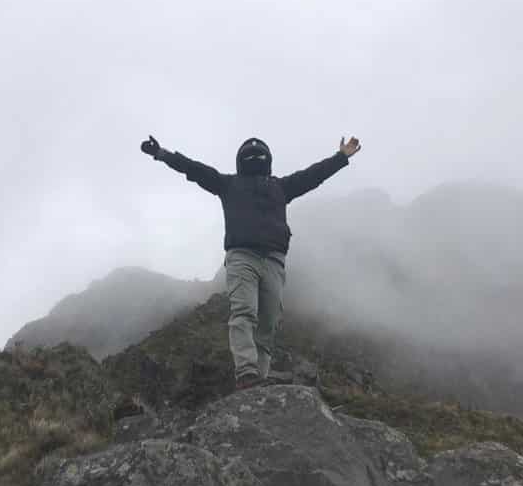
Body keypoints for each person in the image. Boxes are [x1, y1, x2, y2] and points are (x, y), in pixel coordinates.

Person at [140, 134, 362, 389]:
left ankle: (260, 379)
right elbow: (193, 169)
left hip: (274, 261)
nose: (255, 158)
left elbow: (314, 175)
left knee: (268, 322)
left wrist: (341, 157)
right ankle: (247, 373)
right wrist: (163, 154)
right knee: (243, 313)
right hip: (241, 257)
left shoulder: (280, 187)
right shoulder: (228, 184)